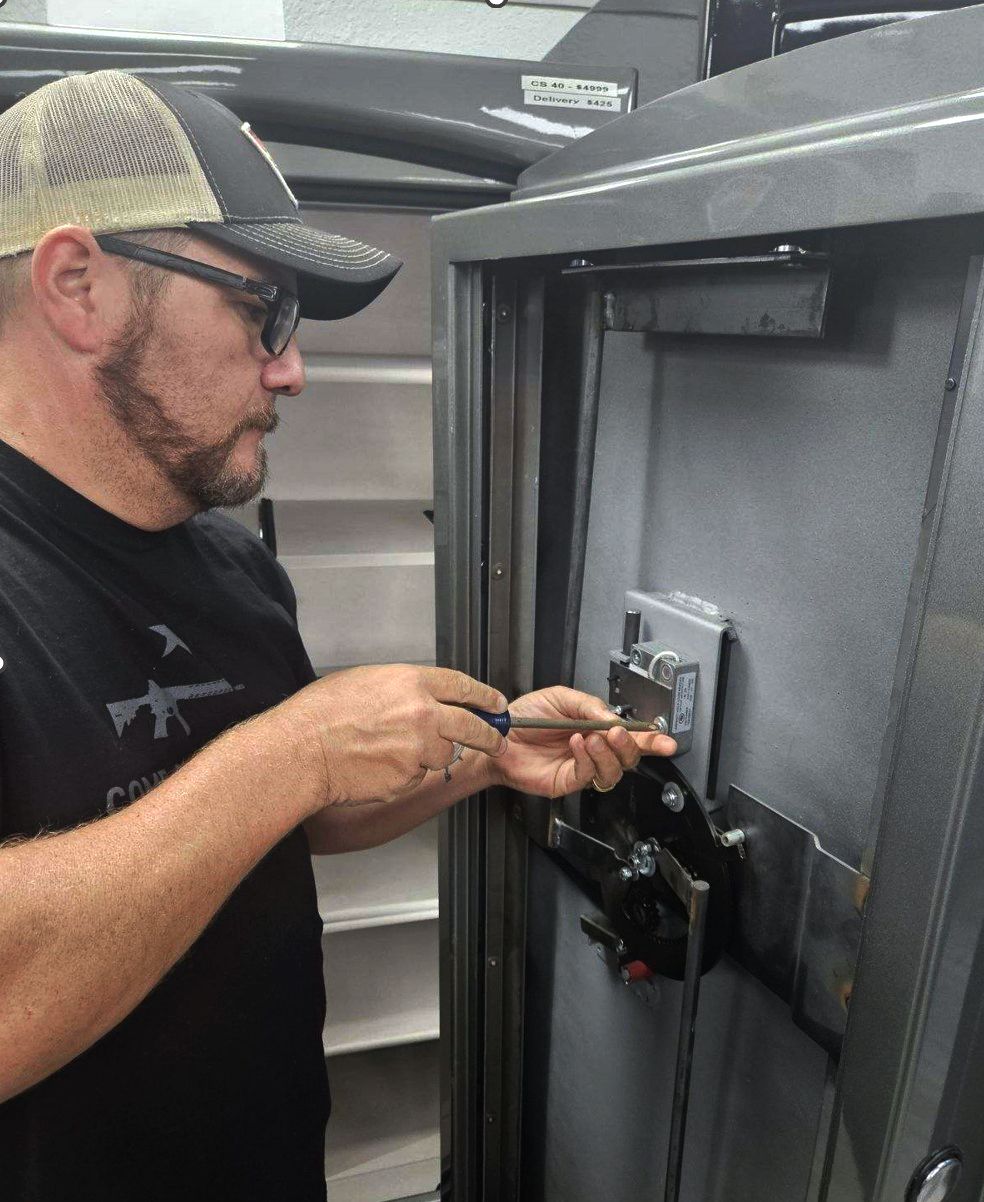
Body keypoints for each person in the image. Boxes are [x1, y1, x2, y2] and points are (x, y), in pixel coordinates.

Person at [0, 71, 676, 1201]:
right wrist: (296, 750)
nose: (293, 369)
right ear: (79, 284)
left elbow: (278, 820)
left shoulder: (228, 563)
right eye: (261, 309)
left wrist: (485, 751)